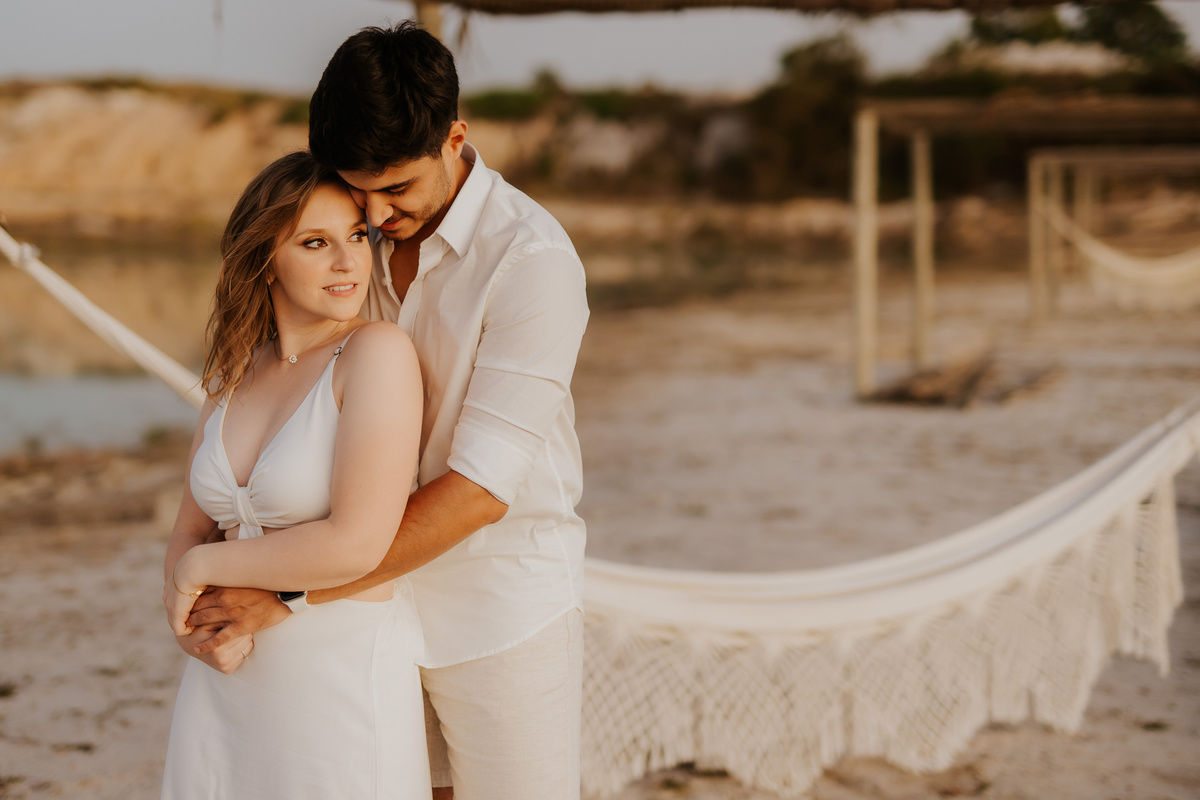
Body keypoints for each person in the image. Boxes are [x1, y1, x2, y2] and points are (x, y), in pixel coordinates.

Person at [183, 21, 591, 800]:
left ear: (455, 139)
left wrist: (290, 593)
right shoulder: (355, 241)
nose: (372, 214)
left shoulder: (531, 264)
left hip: (495, 606)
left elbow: (480, 489)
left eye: (396, 188)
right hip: (372, 617)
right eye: (355, 187)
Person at [160, 151, 430, 799]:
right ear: (264, 260)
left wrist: (201, 572)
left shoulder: (374, 354)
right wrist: (199, 635)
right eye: (316, 243)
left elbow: (355, 542)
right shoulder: (233, 372)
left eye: (358, 237)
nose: (348, 261)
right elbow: (190, 527)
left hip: (337, 680)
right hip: (226, 687)